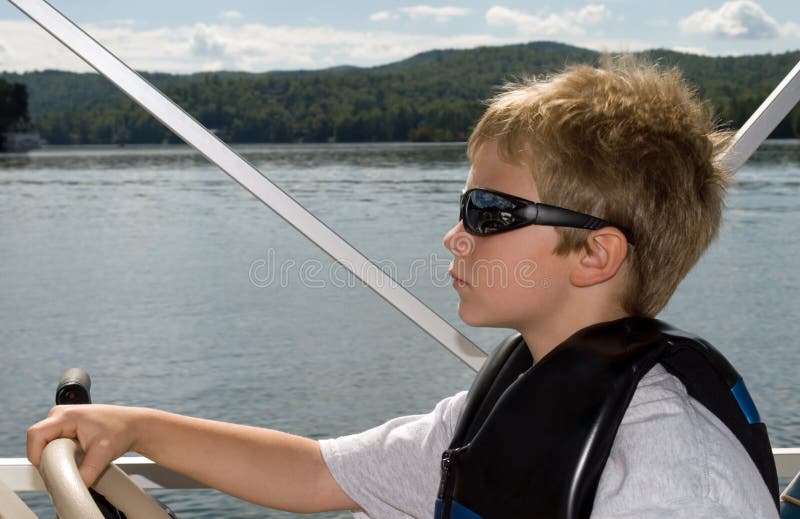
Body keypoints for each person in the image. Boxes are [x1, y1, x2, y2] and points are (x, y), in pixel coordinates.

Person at [27, 57, 778, 518]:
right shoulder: (523, 403)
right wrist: (133, 426)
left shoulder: (676, 483)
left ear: (595, 254)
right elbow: (316, 470)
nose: (455, 235)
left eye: (487, 211)